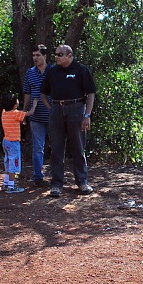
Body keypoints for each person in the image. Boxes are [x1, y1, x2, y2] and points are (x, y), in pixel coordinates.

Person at [40, 45, 96, 198]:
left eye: (60, 54)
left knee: (78, 147)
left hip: (76, 109)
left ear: (70, 55)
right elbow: (43, 93)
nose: (56, 57)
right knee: (56, 149)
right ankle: (56, 184)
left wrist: (87, 115)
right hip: (57, 110)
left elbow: (91, 93)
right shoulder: (52, 71)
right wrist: (51, 108)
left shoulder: (81, 70)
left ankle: (82, 182)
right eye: (56, 54)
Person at [22, 45, 52, 187]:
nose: (35, 58)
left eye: (38, 55)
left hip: (53, 115)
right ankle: (38, 177)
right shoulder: (30, 73)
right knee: (38, 148)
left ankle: (56, 175)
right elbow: (27, 93)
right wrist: (24, 111)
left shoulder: (54, 71)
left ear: (45, 56)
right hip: (36, 117)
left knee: (57, 147)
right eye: (33, 55)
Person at [1, 93, 35, 194]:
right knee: (13, 165)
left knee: (7, 162)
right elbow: (30, 113)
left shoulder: (4, 112)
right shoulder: (16, 113)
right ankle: (11, 186)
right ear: (15, 105)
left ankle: (6, 183)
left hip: (6, 141)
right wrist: (35, 104)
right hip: (13, 142)